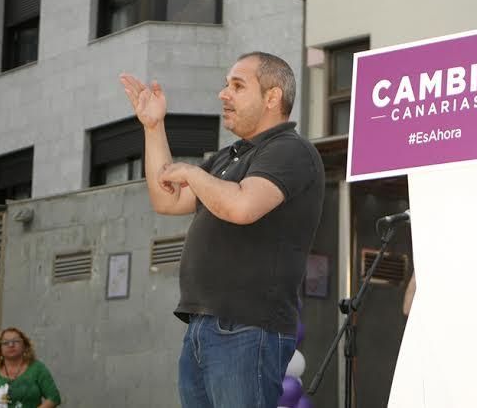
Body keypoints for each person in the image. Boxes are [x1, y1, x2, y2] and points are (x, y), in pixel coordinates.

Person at [119, 51, 325, 408]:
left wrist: (194, 174)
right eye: (225, 84)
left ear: (272, 97)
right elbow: (166, 200)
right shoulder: (228, 157)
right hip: (203, 326)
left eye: (237, 85)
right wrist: (153, 128)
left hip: (248, 328)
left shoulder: (291, 150)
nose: (223, 94)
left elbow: (243, 206)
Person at [0, 327, 61, 408]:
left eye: (16, 341)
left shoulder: (37, 368)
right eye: (6, 342)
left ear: (25, 346)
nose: (11, 345)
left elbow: (54, 398)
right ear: (0, 348)